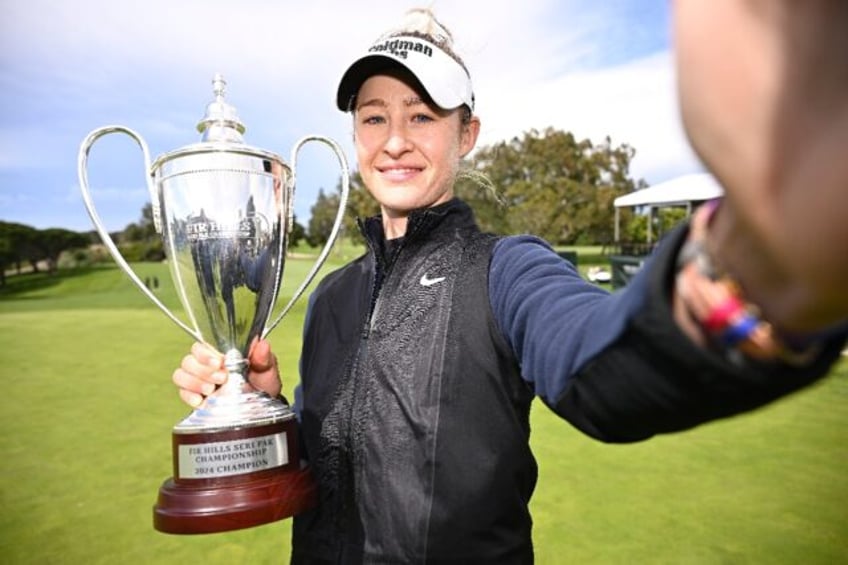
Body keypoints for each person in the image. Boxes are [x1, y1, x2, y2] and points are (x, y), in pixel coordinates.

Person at [172, 3, 848, 563]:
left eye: (423, 115)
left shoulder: (509, 269)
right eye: (375, 116)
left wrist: (758, 273)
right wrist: (265, 414)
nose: (396, 139)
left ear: (467, 135)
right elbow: (328, 480)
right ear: (355, 135)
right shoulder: (331, 299)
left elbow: (605, 371)